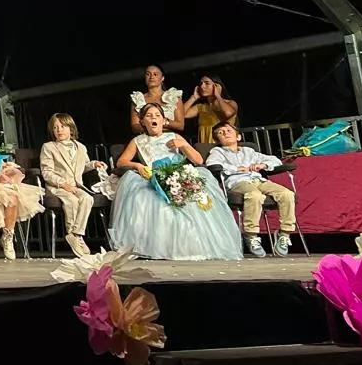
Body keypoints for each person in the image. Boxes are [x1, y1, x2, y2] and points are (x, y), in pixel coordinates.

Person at [110, 103, 241, 261]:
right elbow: (122, 161)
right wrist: (137, 165)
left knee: (194, 201)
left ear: (164, 120)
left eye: (157, 115)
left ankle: (193, 247)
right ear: (143, 121)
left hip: (178, 175)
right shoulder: (138, 140)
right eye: (149, 116)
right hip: (153, 177)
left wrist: (184, 145)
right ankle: (159, 247)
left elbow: (198, 160)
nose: (154, 118)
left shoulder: (173, 136)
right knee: (147, 202)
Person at [205, 120, 295, 257]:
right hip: (238, 182)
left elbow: (275, 160)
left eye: (228, 131)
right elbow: (212, 164)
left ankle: (285, 233)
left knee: (287, 194)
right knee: (255, 195)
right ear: (218, 139)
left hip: (258, 179)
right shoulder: (217, 151)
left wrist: (263, 165)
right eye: (220, 133)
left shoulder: (249, 151)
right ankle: (251, 235)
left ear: (238, 136)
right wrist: (236, 168)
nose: (225, 133)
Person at [39, 113, 109, 257]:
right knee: (71, 201)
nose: (59, 130)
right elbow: (47, 172)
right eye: (55, 127)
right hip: (57, 187)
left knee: (87, 198)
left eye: (62, 126)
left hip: (75, 186)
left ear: (71, 128)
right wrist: (63, 184)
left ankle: (76, 234)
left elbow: (82, 166)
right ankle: (73, 235)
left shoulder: (81, 147)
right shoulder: (49, 147)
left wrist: (94, 164)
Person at [183, 75, 239, 142]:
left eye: (207, 83)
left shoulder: (230, 103)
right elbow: (181, 115)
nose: (202, 86)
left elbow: (228, 113)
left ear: (217, 86)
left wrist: (218, 96)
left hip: (223, 144)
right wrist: (193, 98)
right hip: (205, 146)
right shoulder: (201, 107)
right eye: (201, 83)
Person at [130, 65, 185, 133]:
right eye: (148, 74)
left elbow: (180, 125)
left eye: (155, 74)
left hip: (169, 138)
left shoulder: (173, 97)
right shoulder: (138, 99)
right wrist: (151, 130)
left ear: (162, 78)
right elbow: (135, 126)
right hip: (145, 139)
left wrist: (163, 123)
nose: (151, 77)